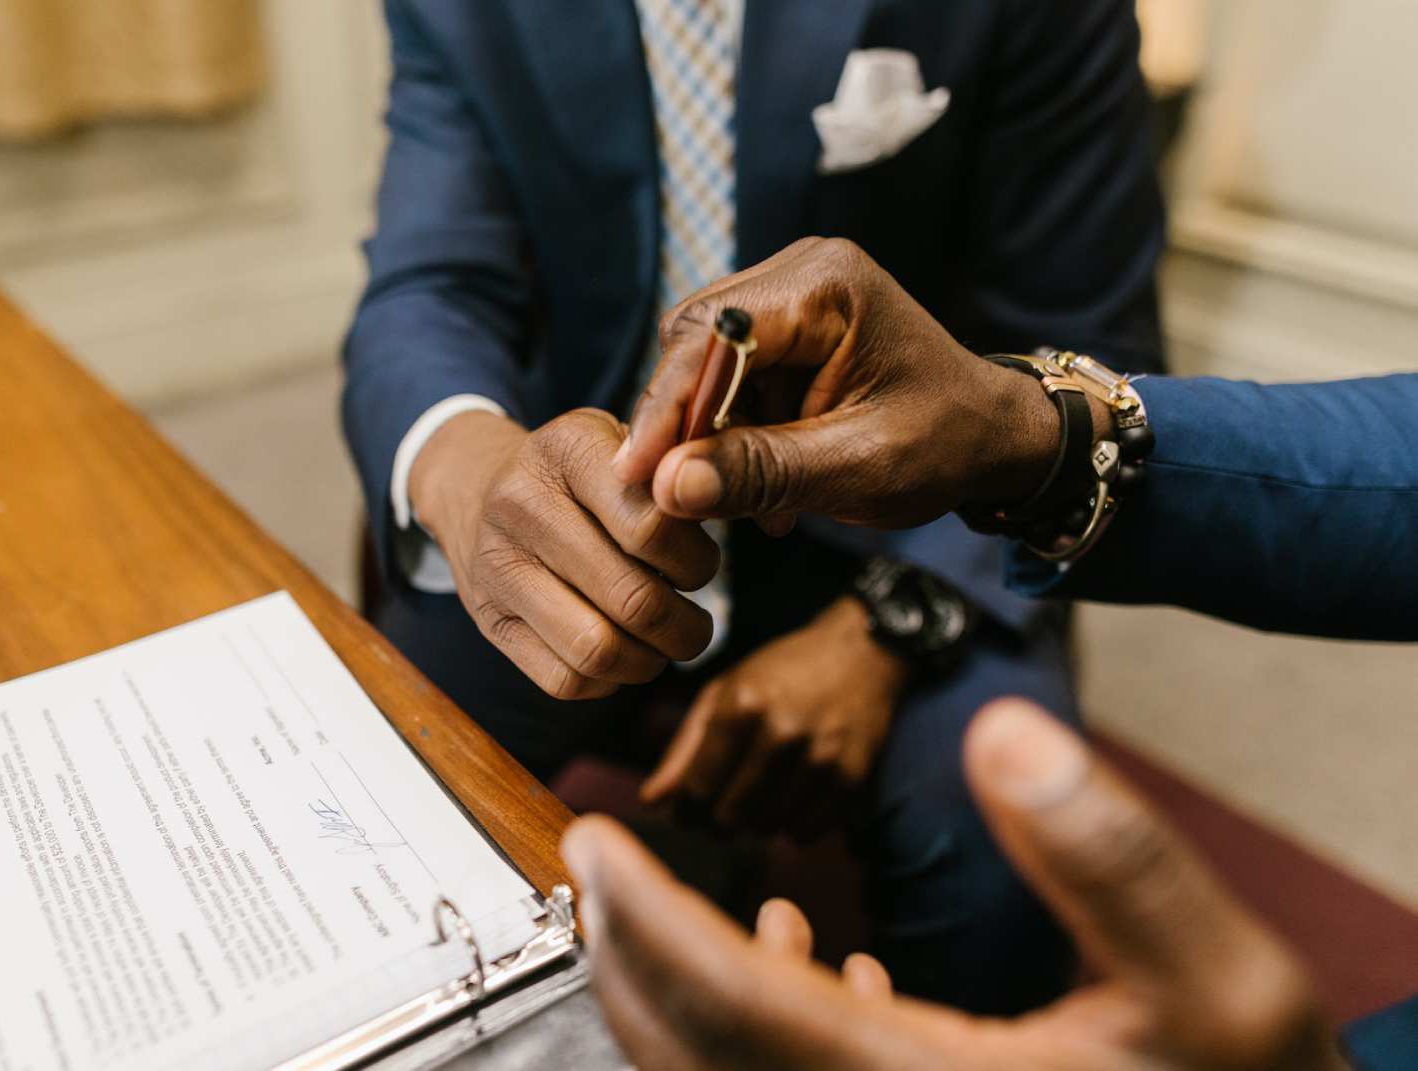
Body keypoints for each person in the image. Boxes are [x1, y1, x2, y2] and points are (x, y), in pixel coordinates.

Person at [342, 0, 1165, 1011]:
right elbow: (427, 289)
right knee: (361, 825)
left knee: (1011, 851)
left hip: (909, 531)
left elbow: (1086, 348)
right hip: (571, 503)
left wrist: (884, 628)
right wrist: (475, 482)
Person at [562, 236, 1418, 1070]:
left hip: (900, 554)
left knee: (990, 826)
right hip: (619, 518)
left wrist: (889, 620)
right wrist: (1029, 436)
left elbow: (1096, 320)